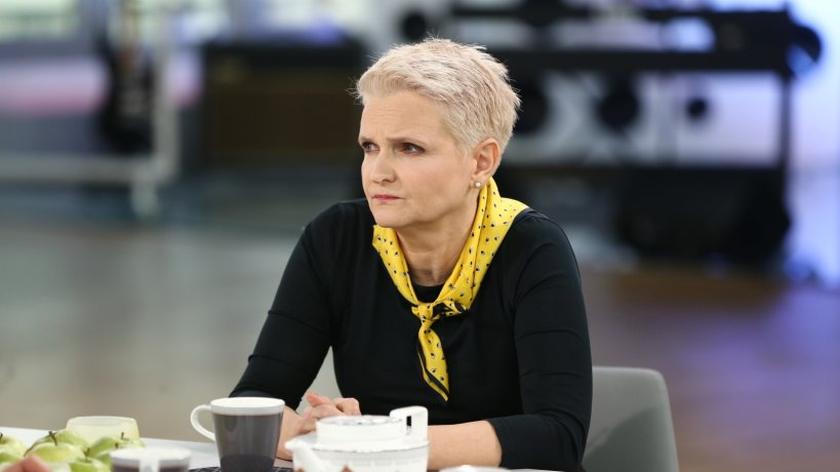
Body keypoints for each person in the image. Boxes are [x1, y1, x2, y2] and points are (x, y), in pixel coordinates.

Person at [232, 38, 591, 471]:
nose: (378, 172)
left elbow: (557, 437)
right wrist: (322, 436)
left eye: (409, 148)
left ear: (481, 162)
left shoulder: (532, 248)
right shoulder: (335, 239)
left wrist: (378, 439)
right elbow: (252, 403)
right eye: (370, 147)